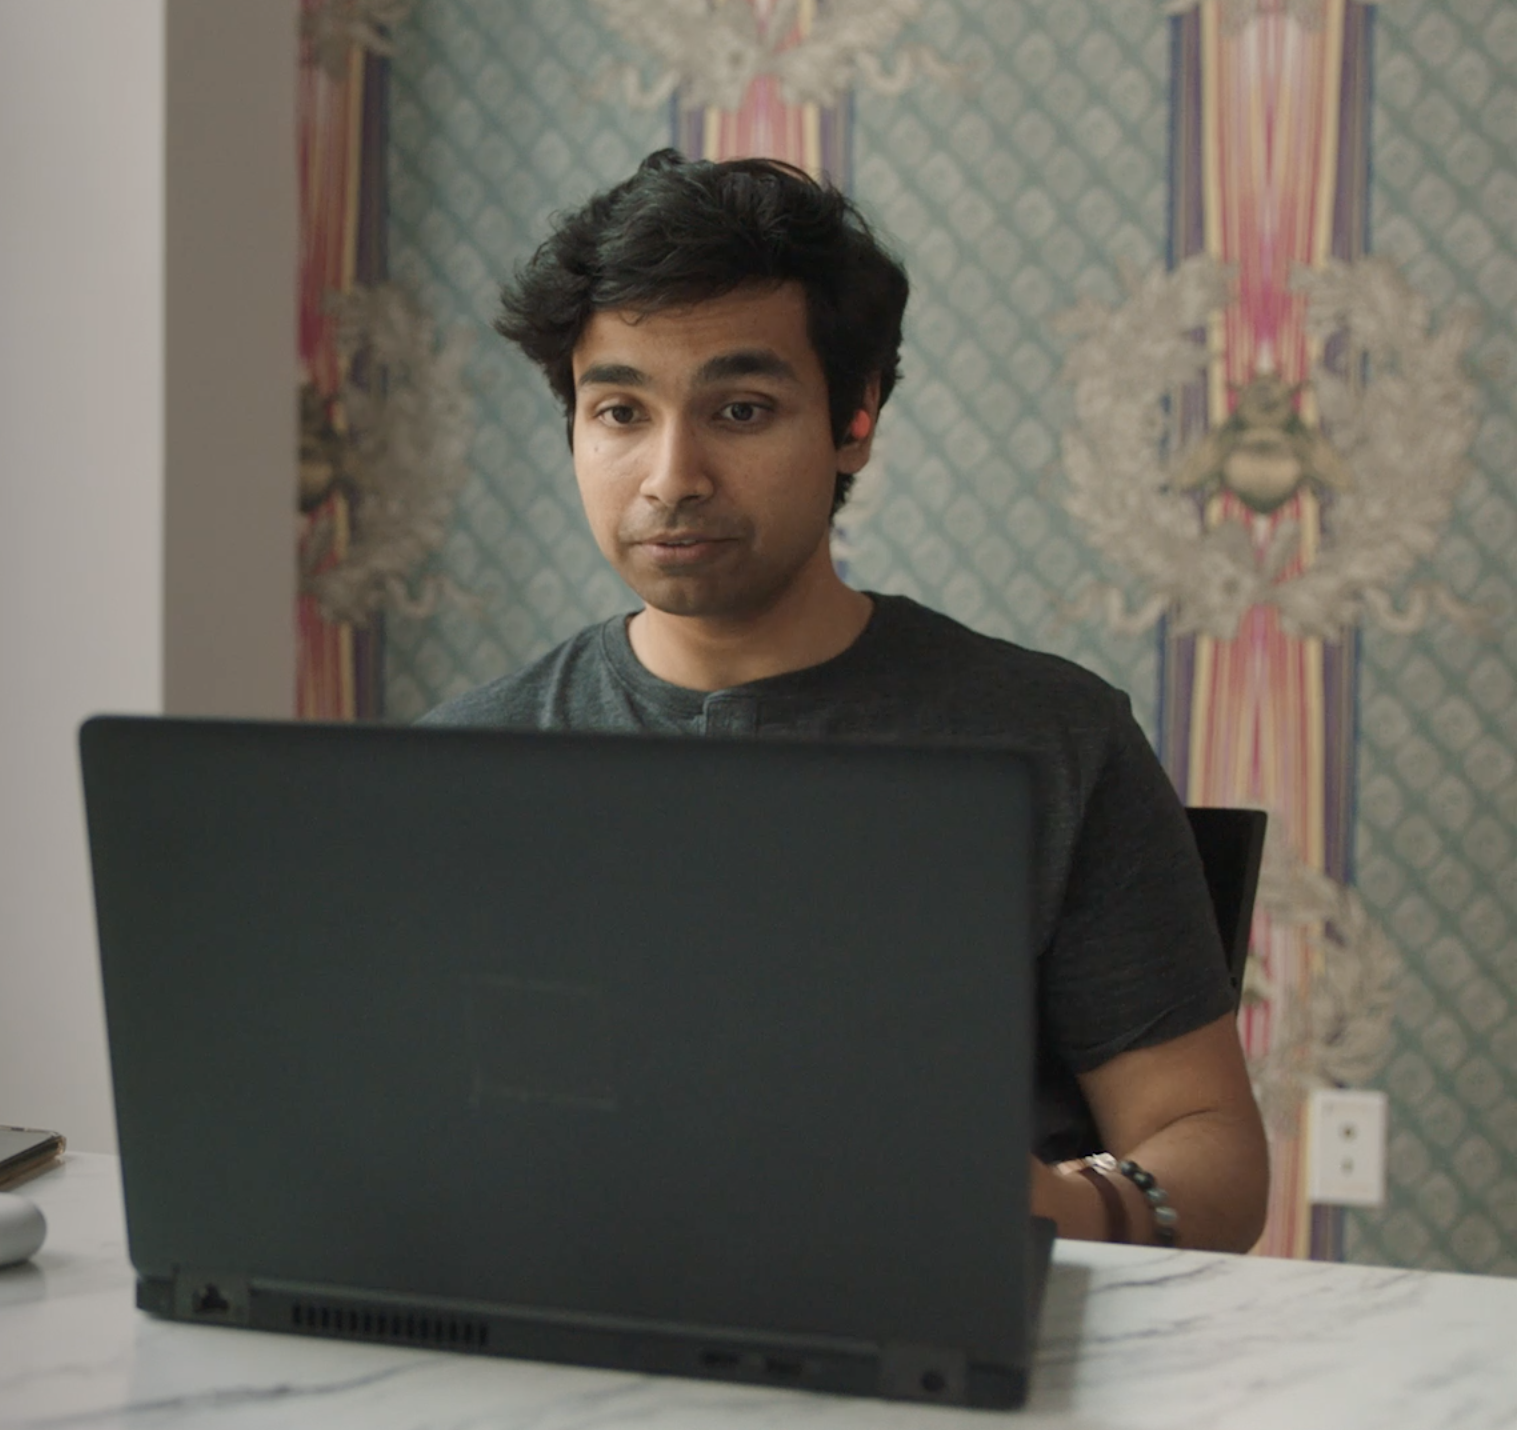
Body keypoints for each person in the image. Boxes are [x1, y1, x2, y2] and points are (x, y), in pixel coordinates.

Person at [421, 148, 1269, 1252]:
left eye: (739, 409)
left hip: (938, 1321)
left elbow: (1210, 1151)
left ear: (854, 419)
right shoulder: (461, 762)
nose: (671, 476)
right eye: (620, 411)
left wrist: (1063, 1206)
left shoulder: (1049, 739)